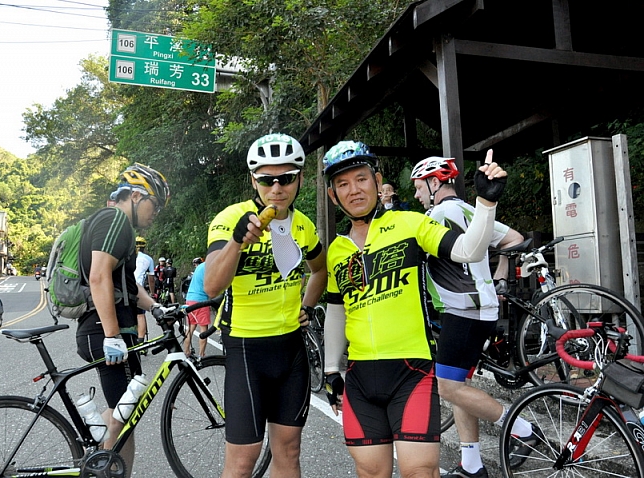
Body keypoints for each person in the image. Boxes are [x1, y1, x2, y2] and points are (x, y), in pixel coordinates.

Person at [321, 140, 507, 478]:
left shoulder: (410, 223)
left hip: (412, 373)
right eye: (343, 184)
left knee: (420, 471)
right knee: (370, 472)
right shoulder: (337, 250)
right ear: (333, 195)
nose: (354, 190)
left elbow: (468, 250)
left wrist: (486, 202)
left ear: (378, 182)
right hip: (360, 380)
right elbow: (336, 309)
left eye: (361, 179)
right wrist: (332, 369)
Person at [204, 133, 327, 478]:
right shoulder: (232, 218)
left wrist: (308, 305)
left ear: (300, 179)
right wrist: (237, 242)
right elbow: (212, 284)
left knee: (288, 453)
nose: (277, 188)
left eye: (286, 178)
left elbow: (320, 270)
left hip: (291, 351)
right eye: (266, 179)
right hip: (246, 349)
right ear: (253, 181)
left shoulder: (302, 225)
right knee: (242, 463)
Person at [410, 157, 536, 477]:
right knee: (460, 384)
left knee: (448, 387)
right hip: (481, 309)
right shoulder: (472, 209)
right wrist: (497, 275)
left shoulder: (436, 215)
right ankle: (471, 464)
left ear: (434, 182)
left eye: (418, 187)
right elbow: (514, 239)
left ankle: (522, 427)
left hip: (461, 311)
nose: (416, 195)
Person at [75, 163, 170, 477]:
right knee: (125, 417)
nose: (155, 212)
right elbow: (98, 276)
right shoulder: (117, 220)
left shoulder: (115, 225)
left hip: (105, 329)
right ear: (135, 195)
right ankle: (106, 470)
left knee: (122, 413)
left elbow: (126, 286)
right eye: (154, 204)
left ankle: (96, 458)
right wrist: (113, 336)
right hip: (107, 330)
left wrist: (156, 308)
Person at [182, 257, 210, 357]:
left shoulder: (199, 268)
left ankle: (186, 351)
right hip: (201, 300)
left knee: (190, 327)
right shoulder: (210, 267)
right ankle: (201, 354)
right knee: (204, 329)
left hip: (190, 299)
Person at [133, 237, 156, 351]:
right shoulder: (148, 259)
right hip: (138, 290)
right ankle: (141, 345)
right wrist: (152, 293)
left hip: (126, 287)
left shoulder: (127, 256)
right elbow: (151, 279)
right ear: (144, 246)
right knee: (140, 315)